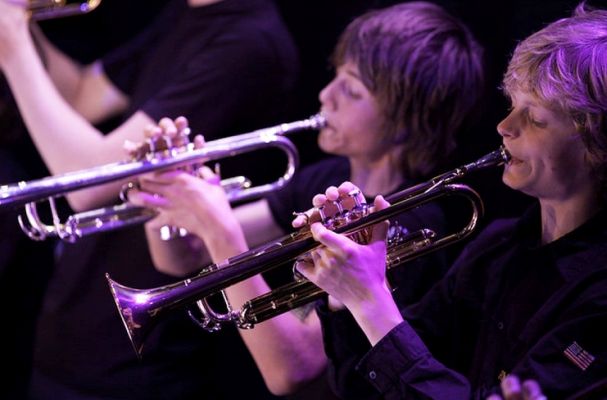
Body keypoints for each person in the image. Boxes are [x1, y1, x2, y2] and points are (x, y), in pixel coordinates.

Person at [127, 1, 485, 396]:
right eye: (335, 77)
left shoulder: (408, 222)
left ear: (406, 120)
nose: (325, 94)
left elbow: (291, 370)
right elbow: (180, 257)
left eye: (350, 90)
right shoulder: (329, 178)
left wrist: (219, 228)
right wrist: (170, 186)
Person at [294, 3, 607, 398]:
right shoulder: (497, 247)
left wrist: (371, 301)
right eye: (512, 106)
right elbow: (365, 389)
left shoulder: (598, 297)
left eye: (537, 119)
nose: (505, 127)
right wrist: (345, 295)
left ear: (598, 144)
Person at [0, 0, 297, 398]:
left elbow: (87, 187)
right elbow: (81, 95)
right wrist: (19, 18)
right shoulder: (188, 13)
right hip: (74, 331)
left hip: (137, 358)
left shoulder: (248, 42)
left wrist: (14, 48)